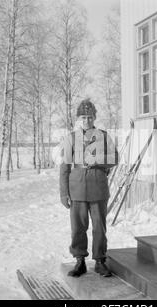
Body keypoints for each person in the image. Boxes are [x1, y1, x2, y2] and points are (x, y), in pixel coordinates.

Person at [60, 99, 118, 278]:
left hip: (98, 187)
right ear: (79, 119)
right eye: (84, 117)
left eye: (90, 117)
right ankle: (80, 261)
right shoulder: (71, 138)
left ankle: (100, 261)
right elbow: (64, 167)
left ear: (95, 118)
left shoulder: (103, 136)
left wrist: (97, 161)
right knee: (78, 227)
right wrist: (64, 192)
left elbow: (115, 158)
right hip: (76, 187)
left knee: (99, 226)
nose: (87, 120)